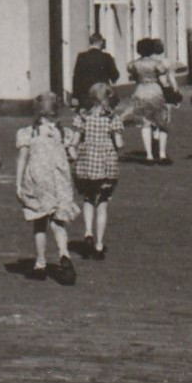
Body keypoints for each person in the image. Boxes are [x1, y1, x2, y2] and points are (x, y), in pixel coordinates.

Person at [15, 92, 80, 285]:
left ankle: (40, 262)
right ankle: (64, 253)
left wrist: (18, 183)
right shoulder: (62, 132)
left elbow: (22, 158)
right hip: (59, 178)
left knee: (39, 220)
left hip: (37, 178)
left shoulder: (28, 132)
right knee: (58, 221)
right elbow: (73, 155)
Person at [70, 82, 123, 261]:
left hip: (87, 163)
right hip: (106, 164)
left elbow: (75, 140)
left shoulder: (83, 117)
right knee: (102, 203)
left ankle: (87, 232)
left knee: (87, 198)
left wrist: (72, 150)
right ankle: (99, 245)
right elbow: (120, 143)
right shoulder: (112, 118)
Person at [121, 37, 176, 165]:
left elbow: (132, 75)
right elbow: (163, 80)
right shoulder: (157, 64)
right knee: (162, 122)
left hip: (140, 91)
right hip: (155, 91)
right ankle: (162, 154)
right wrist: (171, 91)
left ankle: (149, 155)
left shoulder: (133, 64)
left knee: (145, 123)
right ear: (152, 50)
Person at [70, 33, 120, 107]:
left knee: (86, 116)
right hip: (102, 95)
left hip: (85, 94)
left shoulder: (81, 57)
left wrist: (75, 96)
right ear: (101, 42)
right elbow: (115, 76)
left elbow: (76, 77)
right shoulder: (106, 57)